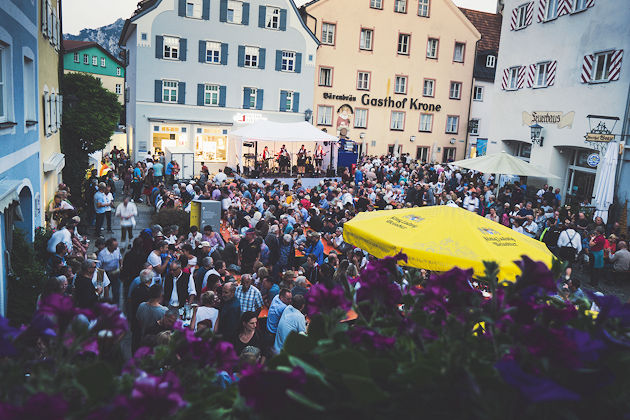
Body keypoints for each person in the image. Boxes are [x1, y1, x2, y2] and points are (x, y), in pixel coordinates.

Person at [98, 238, 122, 305]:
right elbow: (98, 267)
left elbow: (120, 257)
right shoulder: (102, 254)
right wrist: (99, 283)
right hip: (107, 274)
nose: (116, 248)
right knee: (106, 293)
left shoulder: (117, 250)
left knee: (117, 292)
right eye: (115, 246)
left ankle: (116, 306)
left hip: (116, 273)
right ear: (109, 246)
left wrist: (121, 265)